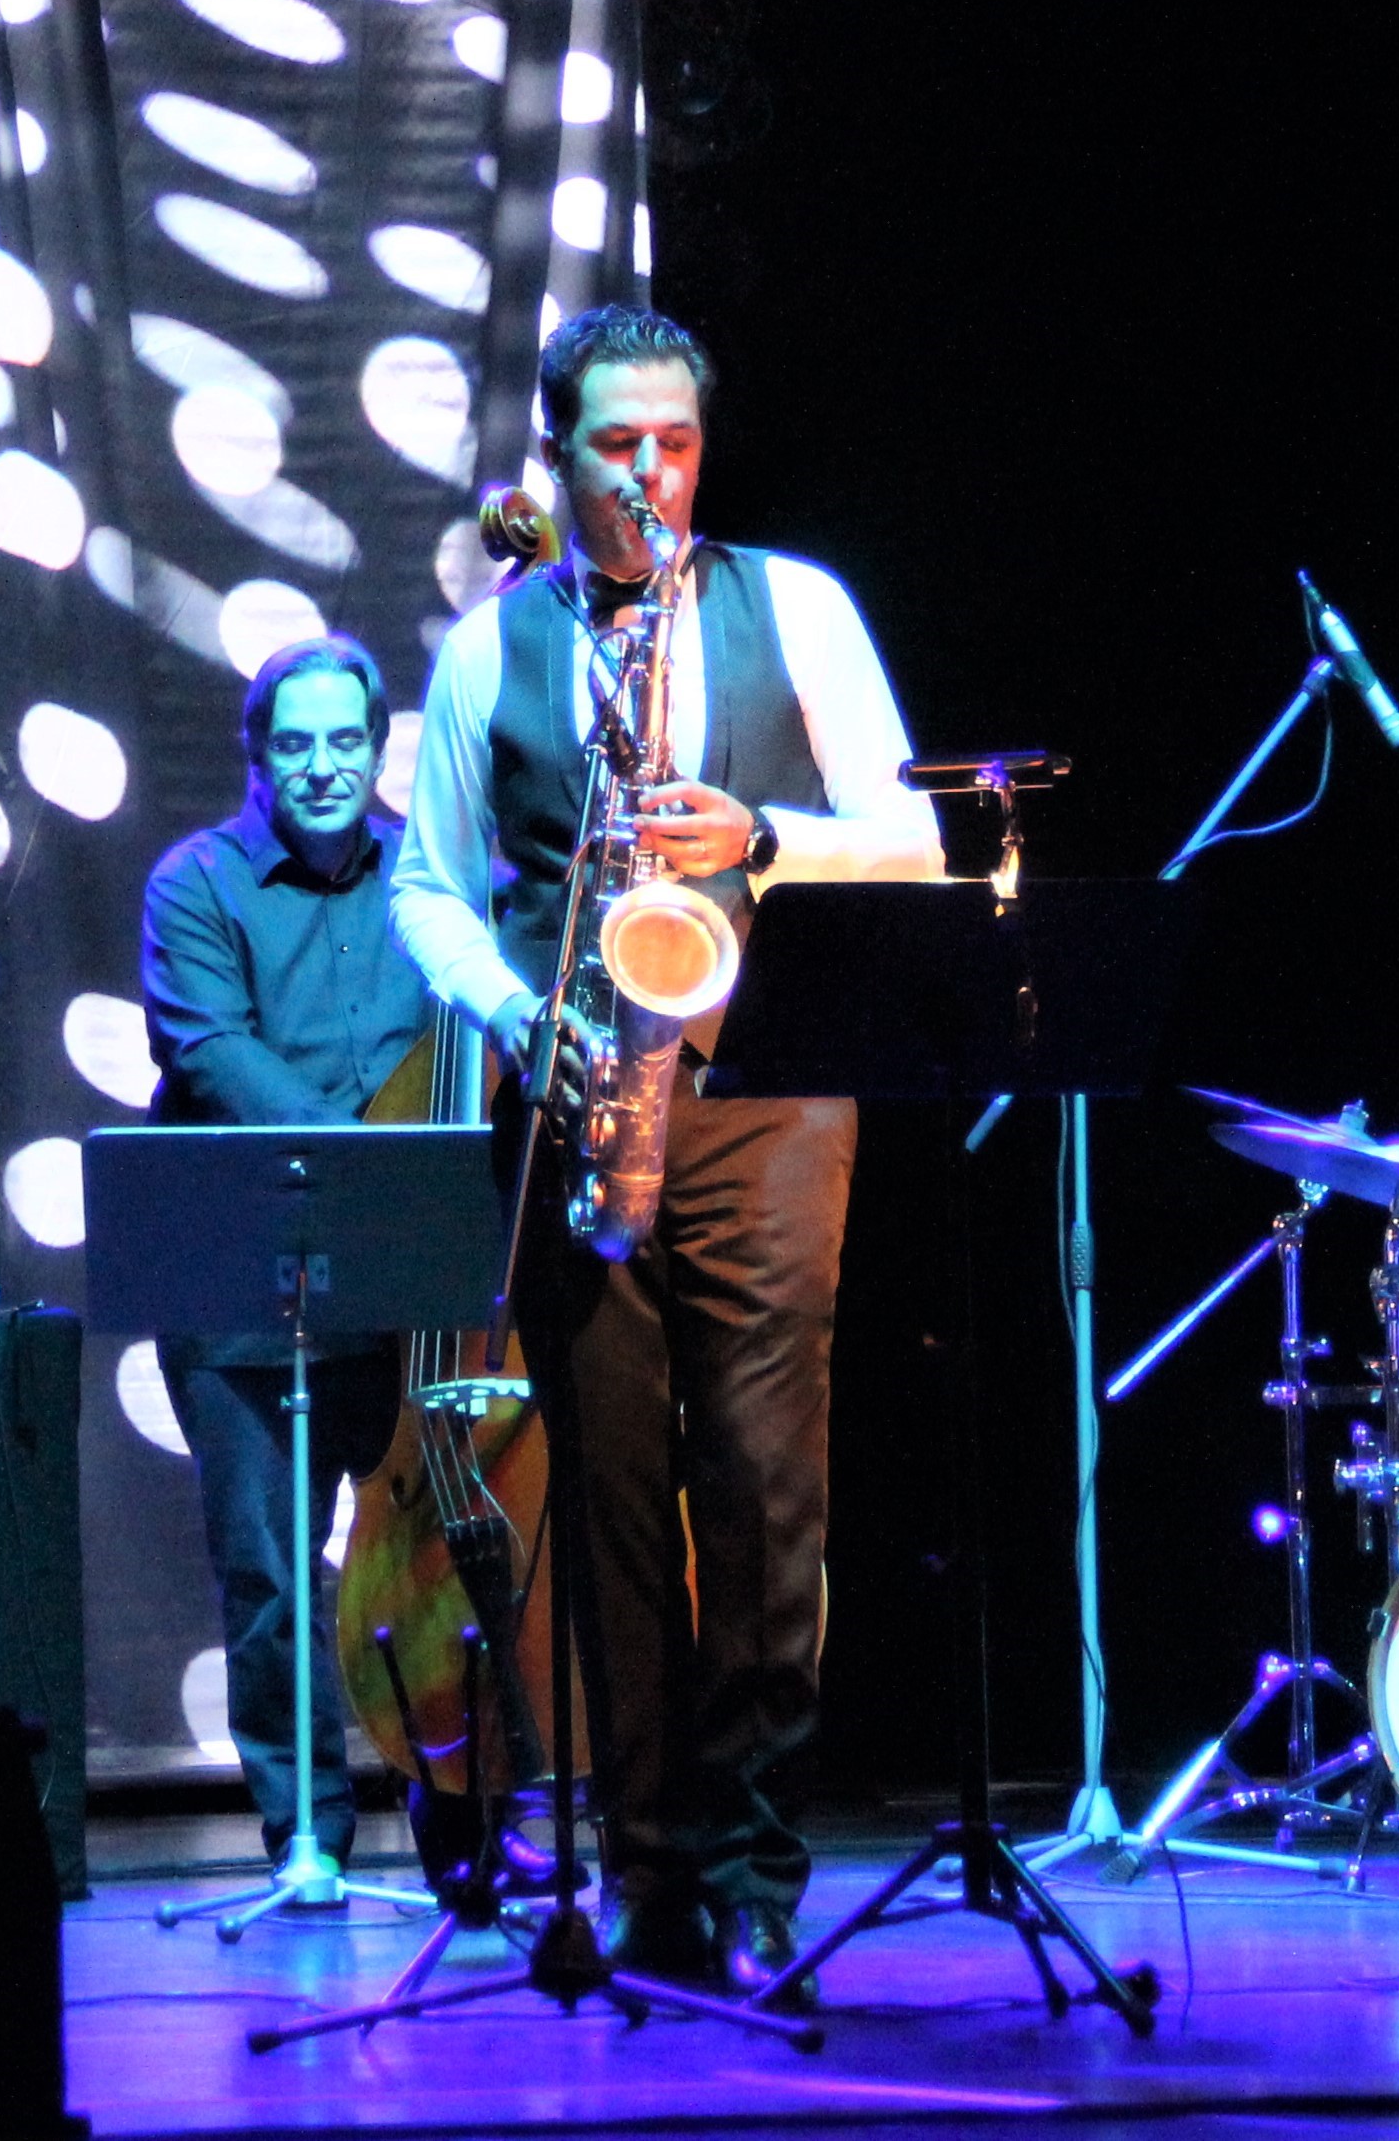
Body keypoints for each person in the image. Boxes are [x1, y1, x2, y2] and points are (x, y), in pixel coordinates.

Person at [395, 305, 939, 2000]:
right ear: (557, 455)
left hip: (767, 1088)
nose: (652, 475)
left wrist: (759, 834)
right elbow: (427, 885)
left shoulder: (800, 605)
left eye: (677, 444)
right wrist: (513, 1010)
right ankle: (646, 1871)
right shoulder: (491, 646)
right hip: (576, 1097)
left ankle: (758, 1865)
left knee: (767, 1489)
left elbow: (915, 837)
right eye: (618, 445)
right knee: (613, 1500)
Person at [135, 636, 436, 1883]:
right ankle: (303, 1831)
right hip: (243, 1280)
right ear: (255, 754)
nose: (322, 766)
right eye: (296, 742)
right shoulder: (194, 880)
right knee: (270, 1573)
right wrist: (368, 1156)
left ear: (376, 748)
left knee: (436, 1561)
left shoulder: (427, 875)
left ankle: (460, 1816)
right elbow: (211, 1052)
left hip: (404, 1281)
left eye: (345, 740)